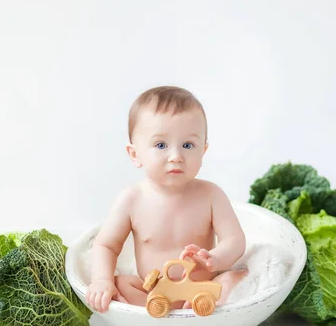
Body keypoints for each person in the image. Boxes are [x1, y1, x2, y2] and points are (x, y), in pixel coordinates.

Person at [86, 86, 247, 313]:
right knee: (121, 283)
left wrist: (216, 259)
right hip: (152, 291)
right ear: (135, 154)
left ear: (204, 150)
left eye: (188, 145)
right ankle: (152, 310)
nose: (176, 156)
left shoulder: (212, 195)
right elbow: (105, 245)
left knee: (233, 279)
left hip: (201, 288)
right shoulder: (131, 200)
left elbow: (235, 240)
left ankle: (202, 306)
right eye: (161, 145)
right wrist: (102, 280)